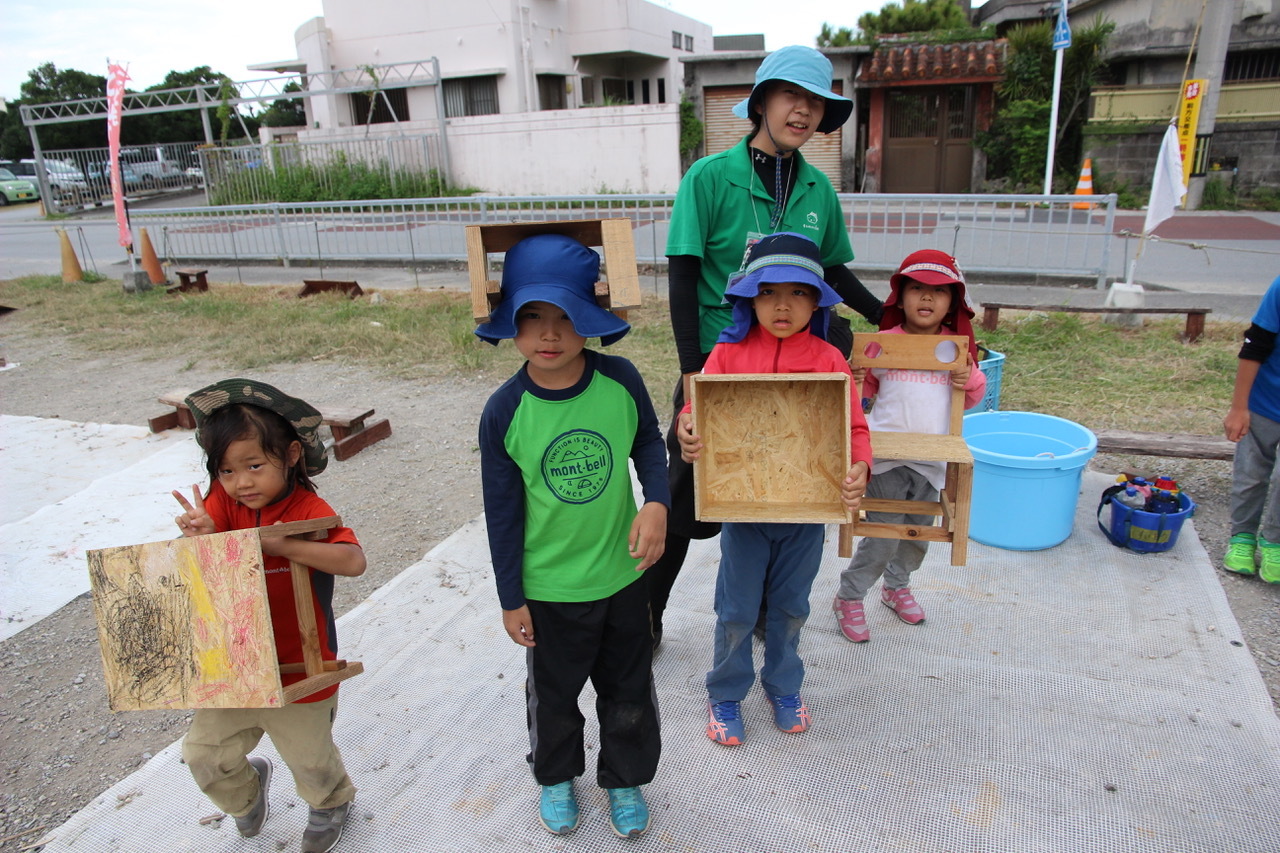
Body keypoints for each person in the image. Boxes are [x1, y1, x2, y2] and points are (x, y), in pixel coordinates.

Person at [649, 44, 884, 647]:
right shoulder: (709, 178)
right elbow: (682, 274)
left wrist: (892, 317)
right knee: (684, 497)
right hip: (718, 362)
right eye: (791, 97)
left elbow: (833, 275)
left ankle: (758, 613)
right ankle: (649, 616)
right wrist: (693, 373)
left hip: (794, 374)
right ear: (761, 103)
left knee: (780, 488)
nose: (802, 112)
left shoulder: (818, 191)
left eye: (814, 103)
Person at [475, 233, 669, 838]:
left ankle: (625, 779)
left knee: (628, 689)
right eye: (533, 318)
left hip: (621, 577)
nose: (550, 334)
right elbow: (502, 512)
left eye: (566, 317)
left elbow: (646, 442)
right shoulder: (505, 412)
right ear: (512, 325)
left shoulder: (621, 381)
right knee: (554, 699)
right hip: (551, 589)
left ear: (589, 319)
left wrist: (658, 501)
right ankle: (557, 776)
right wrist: (512, 596)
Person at [675, 232, 872, 745]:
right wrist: (688, 427)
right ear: (749, 297)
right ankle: (725, 692)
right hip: (743, 514)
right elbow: (699, 409)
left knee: (791, 607)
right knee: (737, 609)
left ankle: (784, 685)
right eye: (768, 292)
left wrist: (860, 468)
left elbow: (853, 431)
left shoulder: (831, 360)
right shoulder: (727, 354)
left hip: (806, 517)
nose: (782, 305)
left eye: (798, 292)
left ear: (817, 300)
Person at [171, 378, 366, 853]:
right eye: (226, 471)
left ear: (292, 455)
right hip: (236, 665)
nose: (241, 482)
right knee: (204, 754)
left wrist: (287, 545)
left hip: (303, 665)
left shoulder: (309, 507)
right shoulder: (224, 504)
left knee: (311, 760)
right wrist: (202, 534)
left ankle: (331, 802)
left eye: (254, 465)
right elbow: (193, 563)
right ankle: (246, 791)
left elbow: (353, 561)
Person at [831, 250, 986, 643]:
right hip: (885, 458)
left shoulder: (956, 350)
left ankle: (896, 587)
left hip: (933, 459)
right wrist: (859, 374)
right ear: (900, 298)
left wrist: (966, 378)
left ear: (953, 302)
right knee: (883, 535)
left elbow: (973, 397)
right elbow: (864, 394)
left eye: (939, 292)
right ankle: (850, 596)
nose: (927, 298)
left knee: (916, 536)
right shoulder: (882, 344)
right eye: (917, 289)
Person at [1223, 273, 1280, 583]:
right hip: (1264, 402)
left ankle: (1274, 543)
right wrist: (1238, 407)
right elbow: (1255, 345)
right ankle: (1242, 539)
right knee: (1251, 473)